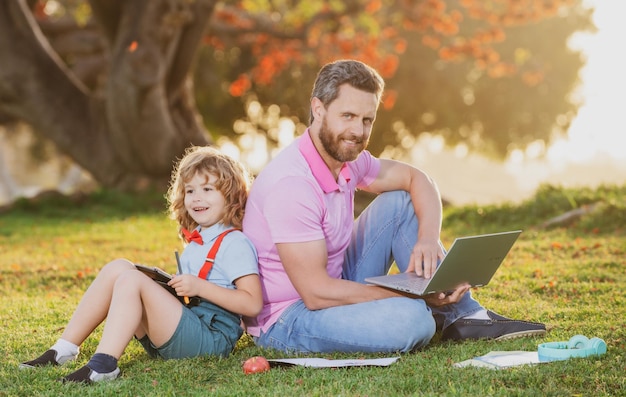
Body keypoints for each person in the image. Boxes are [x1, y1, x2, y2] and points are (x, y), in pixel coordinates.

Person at [242, 59, 546, 354]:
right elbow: (315, 293)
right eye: (347, 116)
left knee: (400, 201)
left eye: (366, 120)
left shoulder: (347, 160)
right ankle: (431, 307)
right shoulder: (292, 184)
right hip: (290, 316)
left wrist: (427, 238)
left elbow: (418, 179)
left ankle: (465, 317)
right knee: (412, 320)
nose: (358, 132)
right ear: (318, 109)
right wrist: (407, 292)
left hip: (336, 281)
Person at [20, 146, 263, 383]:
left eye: (207, 189)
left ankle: (104, 365)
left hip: (209, 341)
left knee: (133, 279)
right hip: (179, 333)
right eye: (190, 191)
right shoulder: (198, 238)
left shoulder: (234, 243)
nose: (196, 197)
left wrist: (199, 287)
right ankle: (63, 349)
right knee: (119, 267)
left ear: (230, 195)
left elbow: (251, 303)